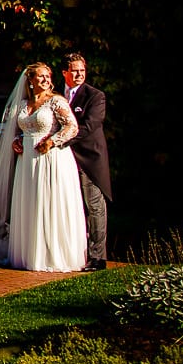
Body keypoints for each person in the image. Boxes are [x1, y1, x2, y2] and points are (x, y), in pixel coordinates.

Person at [0, 62, 89, 270]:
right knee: (30, 203)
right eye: (41, 76)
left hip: (52, 159)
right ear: (30, 81)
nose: (46, 79)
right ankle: (29, 254)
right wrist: (18, 140)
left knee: (49, 202)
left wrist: (52, 141)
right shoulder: (22, 105)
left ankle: (52, 256)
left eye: (48, 76)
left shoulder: (56, 101)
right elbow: (21, 130)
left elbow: (72, 127)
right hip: (27, 162)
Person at [60, 52, 111, 270]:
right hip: (62, 160)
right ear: (65, 73)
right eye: (74, 70)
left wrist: (60, 140)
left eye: (82, 70)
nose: (79, 74)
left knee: (94, 207)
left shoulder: (95, 96)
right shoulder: (55, 95)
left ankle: (97, 257)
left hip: (89, 159)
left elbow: (90, 126)